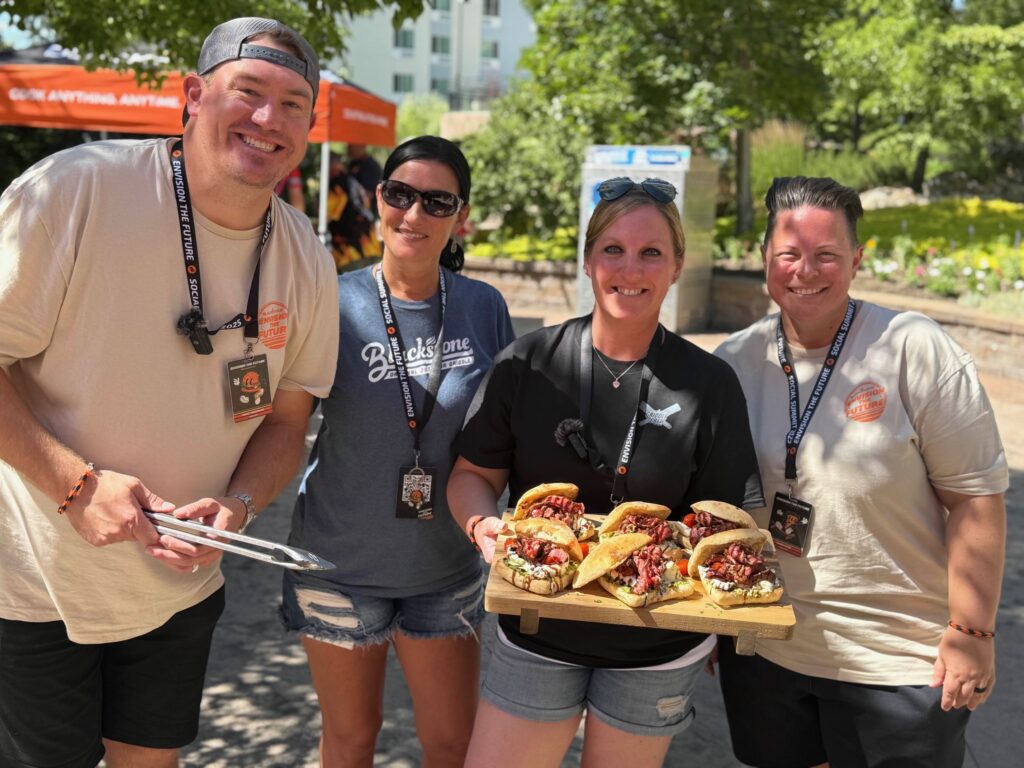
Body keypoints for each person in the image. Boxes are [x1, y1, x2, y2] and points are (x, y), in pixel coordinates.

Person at [0, 17, 339, 768]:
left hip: (180, 589)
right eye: (247, 91)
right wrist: (73, 485)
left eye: (292, 104)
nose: (266, 119)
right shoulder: (76, 191)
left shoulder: (305, 256)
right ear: (192, 95)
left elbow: (288, 418)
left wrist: (240, 505)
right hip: (31, 584)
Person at [447, 177, 764, 768]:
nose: (630, 269)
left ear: (676, 267)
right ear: (589, 260)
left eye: (651, 253)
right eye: (613, 249)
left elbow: (722, 518)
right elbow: (472, 475)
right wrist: (480, 527)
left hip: (659, 639)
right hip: (538, 628)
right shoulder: (527, 362)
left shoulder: (709, 383)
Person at [713, 176, 1008, 768]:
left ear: (857, 260)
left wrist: (972, 633)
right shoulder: (733, 363)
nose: (805, 271)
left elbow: (976, 499)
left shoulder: (911, 348)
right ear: (764, 259)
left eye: (826, 255)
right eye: (789, 255)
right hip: (767, 646)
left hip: (897, 659)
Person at [280, 135, 515, 767]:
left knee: (451, 744)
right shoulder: (330, 299)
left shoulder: (483, 307)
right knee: (351, 740)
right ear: (378, 197)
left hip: (443, 565)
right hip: (339, 562)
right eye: (401, 194)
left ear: (459, 215)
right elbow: (282, 425)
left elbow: (505, 435)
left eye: (436, 201)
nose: (414, 215)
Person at [325, 151, 381, 272]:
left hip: (349, 250)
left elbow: (330, 214)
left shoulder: (337, 184)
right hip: (369, 244)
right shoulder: (352, 181)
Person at [347, 141, 383, 217]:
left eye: (352, 145)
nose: (348, 147)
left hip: (364, 216)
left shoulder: (371, 165)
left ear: (363, 146)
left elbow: (368, 195)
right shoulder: (352, 163)